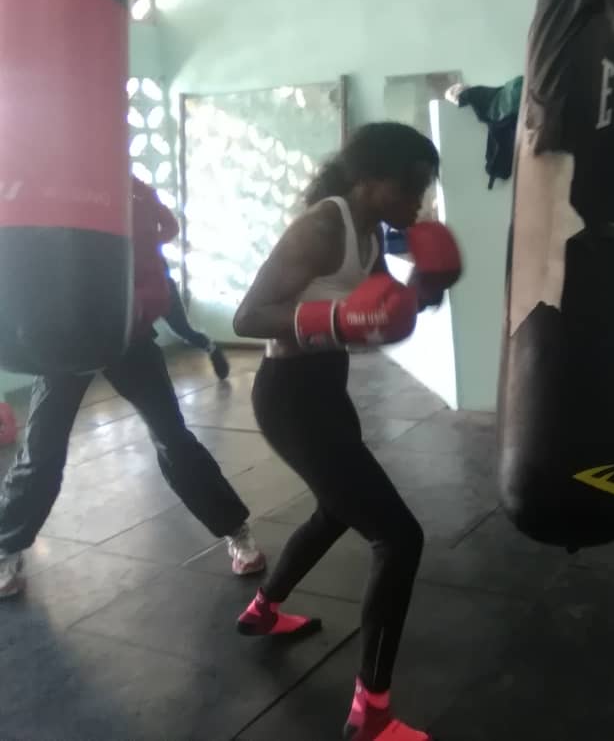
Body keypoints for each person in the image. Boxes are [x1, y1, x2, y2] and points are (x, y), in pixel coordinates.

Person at [231, 122, 461, 741]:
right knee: (399, 538)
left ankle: (262, 610)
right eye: (409, 187)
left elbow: (380, 308)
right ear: (368, 179)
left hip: (325, 389)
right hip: (289, 398)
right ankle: (371, 714)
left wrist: (426, 286)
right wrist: (334, 315)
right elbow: (249, 314)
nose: (416, 202)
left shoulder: (365, 230)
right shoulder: (323, 225)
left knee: (337, 510)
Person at [0, 177, 266, 598]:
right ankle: (6, 547)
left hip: (127, 334)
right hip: (65, 339)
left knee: (173, 440)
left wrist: (140, 257)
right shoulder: (44, 187)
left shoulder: (128, 188)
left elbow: (166, 229)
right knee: (41, 451)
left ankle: (235, 529)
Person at [148, 201, 231, 380]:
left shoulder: (143, 195)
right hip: (135, 285)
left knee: (183, 330)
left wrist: (149, 241)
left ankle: (213, 349)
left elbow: (171, 227)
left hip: (160, 282)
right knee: (137, 336)